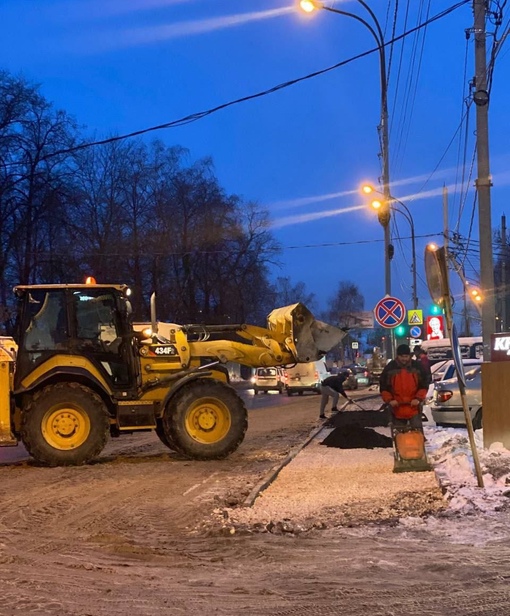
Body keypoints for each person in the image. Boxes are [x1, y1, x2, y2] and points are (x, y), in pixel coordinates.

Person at [379, 344, 429, 428]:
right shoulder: (390, 368)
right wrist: (389, 400)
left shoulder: (417, 367)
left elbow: (424, 384)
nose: (404, 359)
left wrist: (418, 398)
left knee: (416, 434)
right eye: (402, 356)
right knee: (399, 435)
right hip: (396, 408)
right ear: (397, 356)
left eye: (406, 356)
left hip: (414, 407)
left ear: (409, 356)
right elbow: (384, 386)